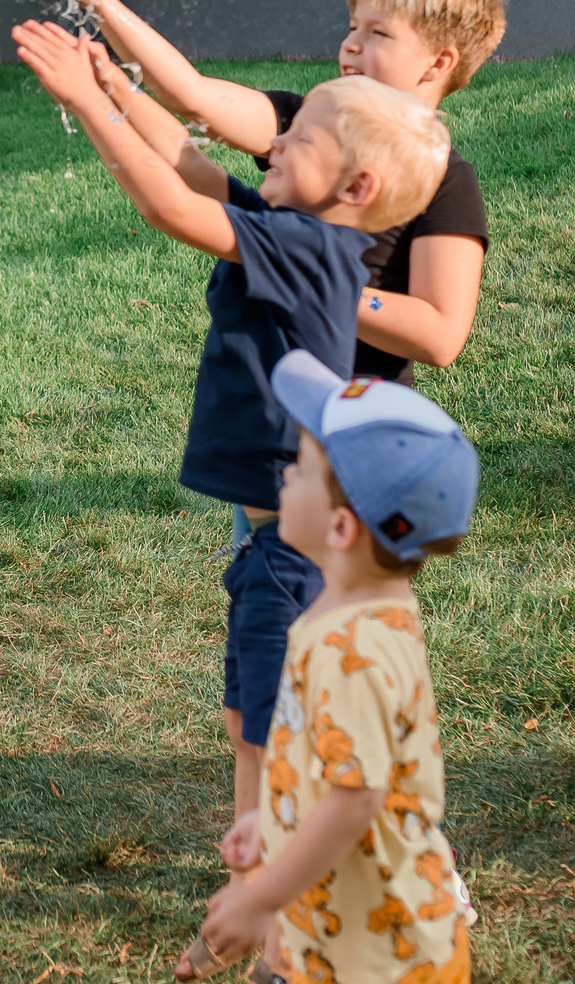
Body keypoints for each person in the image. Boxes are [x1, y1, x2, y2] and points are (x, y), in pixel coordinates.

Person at [12, 24, 450, 882]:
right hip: (276, 545)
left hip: (291, 553)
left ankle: (310, 895)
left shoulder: (308, 246)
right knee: (253, 719)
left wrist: (85, 102)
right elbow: (198, 174)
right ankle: (272, 882)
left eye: (301, 138)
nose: (275, 141)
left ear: (355, 185)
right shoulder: (301, 230)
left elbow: (170, 208)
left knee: (276, 726)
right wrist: (121, 89)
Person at [7, 0, 505, 388]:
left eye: (377, 32)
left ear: (438, 63)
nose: (350, 43)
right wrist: (104, 50)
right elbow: (191, 130)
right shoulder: (312, 121)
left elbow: (441, 337)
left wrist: (306, 279)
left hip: (349, 421)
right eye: (352, 25)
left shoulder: (445, 178)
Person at [180, 350, 477, 982]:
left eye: (303, 465)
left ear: (341, 527)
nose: (283, 473)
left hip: (379, 957)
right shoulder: (349, 614)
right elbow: (334, 759)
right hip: (339, 937)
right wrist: (275, 820)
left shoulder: (356, 649)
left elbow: (355, 799)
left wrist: (259, 896)